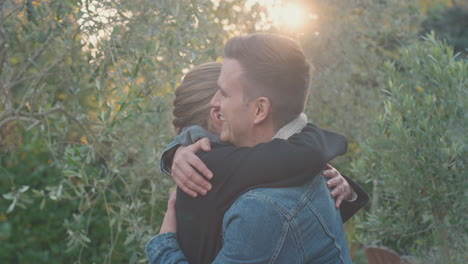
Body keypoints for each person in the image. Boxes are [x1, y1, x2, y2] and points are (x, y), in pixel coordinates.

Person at [147, 34, 368, 264]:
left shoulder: (260, 207)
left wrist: (163, 245)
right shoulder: (295, 162)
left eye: (224, 93)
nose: (216, 102)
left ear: (258, 110)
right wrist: (175, 153)